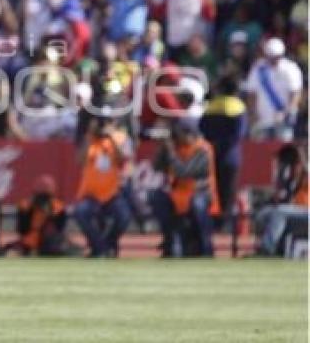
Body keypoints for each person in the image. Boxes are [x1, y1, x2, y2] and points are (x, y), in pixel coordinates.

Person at [150, 119, 220, 257]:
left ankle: (205, 248)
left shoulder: (203, 149)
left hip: (201, 193)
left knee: (197, 204)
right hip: (177, 194)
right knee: (157, 198)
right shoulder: (175, 147)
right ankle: (170, 241)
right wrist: (162, 150)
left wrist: (170, 152)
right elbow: (157, 167)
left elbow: (184, 172)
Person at [72, 117, 133, 257]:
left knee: (124, 217)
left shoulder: (120, 139)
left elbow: (123, 160)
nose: (102, 127)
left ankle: (108, 243)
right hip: (91, 194)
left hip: (113, 193)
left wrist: (111, 137)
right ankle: (99, 246)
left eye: (106, 122)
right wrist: (90, 134)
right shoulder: (89, 140)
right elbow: (80, 160)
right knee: (80, 212)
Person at [199, 76, 246, 230]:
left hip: (211, 154)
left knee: (213, 190)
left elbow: (203, 128)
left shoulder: (211, 106)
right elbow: (239, 133)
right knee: (228, 191)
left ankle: (210, 223)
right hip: (230, 155)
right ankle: (223, 225)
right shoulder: (238, 107)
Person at [255, 143, 308, 256]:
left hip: (305, 212)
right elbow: (282, 199)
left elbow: (301, 202)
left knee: (279, 212)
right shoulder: (289, 179)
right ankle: (277, 249)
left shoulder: (306, 175)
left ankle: (267, 249)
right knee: (264, 214)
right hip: (294, 214)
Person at [244, 37, 302, 140]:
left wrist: (287, 112)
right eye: (270, 56)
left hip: (282, 119)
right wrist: (252, 113)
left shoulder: (291, 68)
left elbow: (295, 93)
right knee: (260, 151)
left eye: (276, 56)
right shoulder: (258, 68)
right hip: (261, 119)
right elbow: (251, 92)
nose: (273, 59)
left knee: (283, 148)